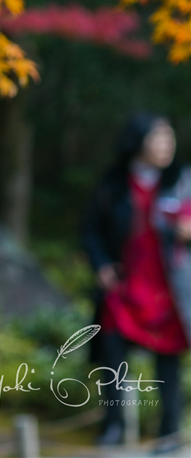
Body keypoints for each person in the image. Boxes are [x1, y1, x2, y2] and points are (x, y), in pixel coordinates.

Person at [81, 113, 191, 453]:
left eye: (169, 138)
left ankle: (169, 433)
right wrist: (100, 265)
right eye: (158, 138)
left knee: (167, 363)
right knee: (112, 354)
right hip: (125, 285)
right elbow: (90, 229)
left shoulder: (181, 182)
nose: (166, 145)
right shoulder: (113, 183)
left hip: (168, 288)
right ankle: (113, 425)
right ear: (138, 142)